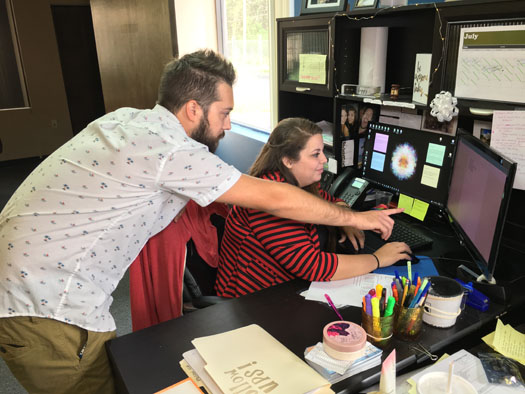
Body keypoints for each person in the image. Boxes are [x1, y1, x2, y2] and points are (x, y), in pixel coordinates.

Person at [0, 49, 401, 394]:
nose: (228, 125)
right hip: (48, 307)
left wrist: (344, 216)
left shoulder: (127, 120)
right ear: (193, 108)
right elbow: (276, 198)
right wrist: (357, 218)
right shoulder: (170, 150)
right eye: (224, 113)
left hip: (27, 284)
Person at [215, 118, 411, 298]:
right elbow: (315, 267)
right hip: (251, 302)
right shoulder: (268, 203)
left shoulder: (296, 183)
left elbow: (329, 202)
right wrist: (378, 259)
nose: (324, 160)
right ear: (288, 160)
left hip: (281, 289)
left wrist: (346, 220)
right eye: (315, 154)